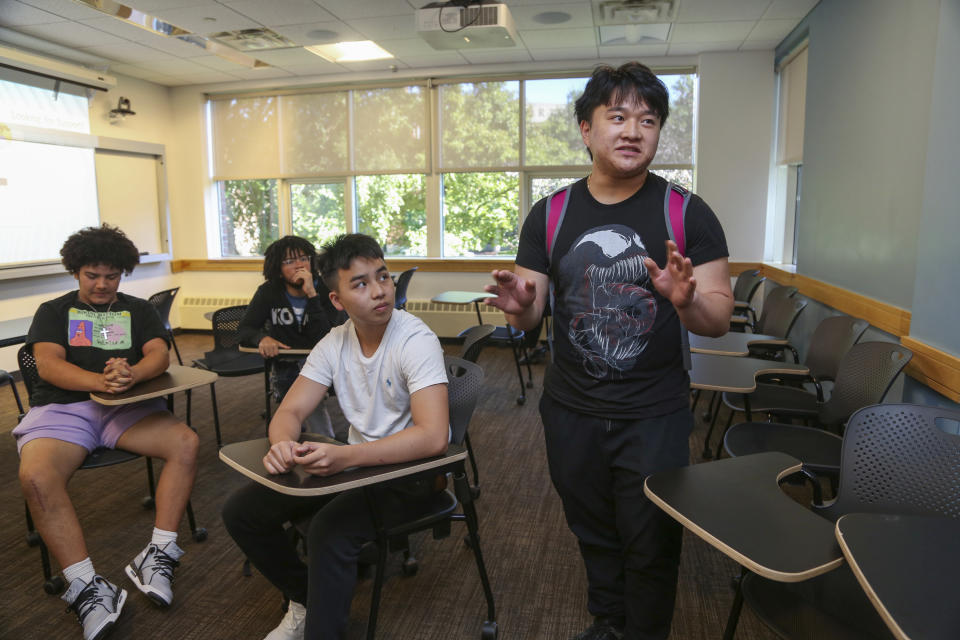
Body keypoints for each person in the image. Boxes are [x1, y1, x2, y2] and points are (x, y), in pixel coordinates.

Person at [485, 62, 734, 640]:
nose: (632, 130)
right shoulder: (551, 215)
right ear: (586, 129)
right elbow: (529, 316)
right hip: (570, 411)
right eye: (616, 116)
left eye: (647, 120)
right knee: (593, 532)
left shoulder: (687, 213)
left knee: (650, 543)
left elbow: (717, 319)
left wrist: (683, 301)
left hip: (654, 415)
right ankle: (608, 626)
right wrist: (520, 305)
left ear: (658, 133)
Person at [222, 233, 450, 640]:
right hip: (356, 464)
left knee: (329, 530)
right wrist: (282, 444)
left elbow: (433, 438)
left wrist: (346, 459)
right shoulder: (334, 342)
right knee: (241, 512)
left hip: (411, 475)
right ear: (337, 301)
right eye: (360, 284)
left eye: (382, 276)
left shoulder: (416, 339)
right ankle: (306, 597)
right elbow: (289, 411)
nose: (380, 291)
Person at [14, 224, 200, 640]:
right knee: (35, 476)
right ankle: (86, 585)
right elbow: (47, 363)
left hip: (126, 407)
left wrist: (131, 373)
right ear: (75, 272)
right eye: (91, 275)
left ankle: (158, 553)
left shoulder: (138, 310)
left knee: (185, 441)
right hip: (65, 410)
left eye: (111, 276)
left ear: (123, 274)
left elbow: (158, 353)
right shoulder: (53, 311)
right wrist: (97, 380)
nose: (101, 284)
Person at [239, 235, 346, 437]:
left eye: (304, 259)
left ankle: (324, 442)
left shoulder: (325, 291)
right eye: (289, 262)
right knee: (297, 404)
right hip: (285, 364)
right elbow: (245, 329)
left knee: (310, 403)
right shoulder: (268, 292)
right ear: (277, 268)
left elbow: (327, 335)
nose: (299, 266)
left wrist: (311, 295)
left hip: (323, 361)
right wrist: (262, 338)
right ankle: (300, 438)